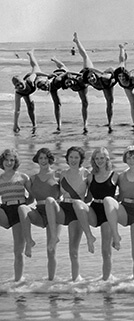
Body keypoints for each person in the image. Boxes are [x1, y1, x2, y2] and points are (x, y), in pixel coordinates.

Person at [104, 146, 134, 280]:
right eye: (128, 157)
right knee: (108, 200)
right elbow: (113, 194)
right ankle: (116, 236)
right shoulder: (121, 176)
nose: (131, 160)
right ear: (125, 159)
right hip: (125, 210)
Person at [45, 146, 94, 281]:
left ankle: (75, 280)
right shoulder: (62, 174)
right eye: (71, 157)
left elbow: (89, 197)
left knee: (73, 252)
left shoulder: (87, 174)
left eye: (76, 157)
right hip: (63, 207)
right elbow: (56, 192)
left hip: (77, 210)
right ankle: (54, 236)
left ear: (81, 159)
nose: (73, 160)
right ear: (67, 158)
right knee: (49, 201)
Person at [17, 148, 60, 280]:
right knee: (22, 208)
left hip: (54, 213)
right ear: (37, 160)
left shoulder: (57, 176)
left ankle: (50, 281)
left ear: (50, 160)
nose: (43, 161)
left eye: (46, 158)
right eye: (41, 158)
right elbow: (30, 198)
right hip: (40, 213)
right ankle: (29, 241)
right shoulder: (33, 178)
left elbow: (66, 193)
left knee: (50, 250)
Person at [86, 147, 119, 280]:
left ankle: (106, 278)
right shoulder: (90, 176)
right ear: (94, 160)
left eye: (102, 158)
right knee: (78, 207)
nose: (99, 161)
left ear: (107, 159)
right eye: (97, 158)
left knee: (105, 248)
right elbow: (88, 198)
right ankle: (89, 237)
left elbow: (121, 195)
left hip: (108, 212)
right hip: (94, 208)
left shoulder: (115, 175)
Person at [74, 32, 116, 132]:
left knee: (110, 102)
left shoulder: (103, 78)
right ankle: (85, 123)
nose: (91, 78)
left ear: (94, 74)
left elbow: (112, 69)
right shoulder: (85, 78)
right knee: (84, 102)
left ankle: (110, 122)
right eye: (89, 78)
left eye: (92, 76)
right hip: (87, 77)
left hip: (105, 84)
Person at [0, 149, 31, 281]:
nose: (9, 163)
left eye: (12, 160)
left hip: (19, 211)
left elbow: (32, 197)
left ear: (15, 162)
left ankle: (17, 280)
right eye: (6, 160)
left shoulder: (23, 177)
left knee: (18, 251)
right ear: (2, 161)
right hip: (5, 210)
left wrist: (23, 206)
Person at [114, 38, 134, 127]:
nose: (121, 78)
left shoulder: (133, 76)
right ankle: (121, 48)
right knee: (122, 62)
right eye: (120, 77)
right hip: (128, 87)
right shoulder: (117, 76)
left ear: (127, 76)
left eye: (123, 76)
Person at [12, 50, 39, 132]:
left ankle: (31, 54)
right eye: (17, 86)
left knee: (35, 66)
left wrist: (48, 76)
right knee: (30, 107)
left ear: (24, 81)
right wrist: (15, 124)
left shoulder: (30, 80)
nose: (20, 86)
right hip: (27, 92)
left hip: (34, 79)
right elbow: (17, 110)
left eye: (20, 83)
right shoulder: (18, 92)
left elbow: (37, 73)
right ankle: (34, 125)